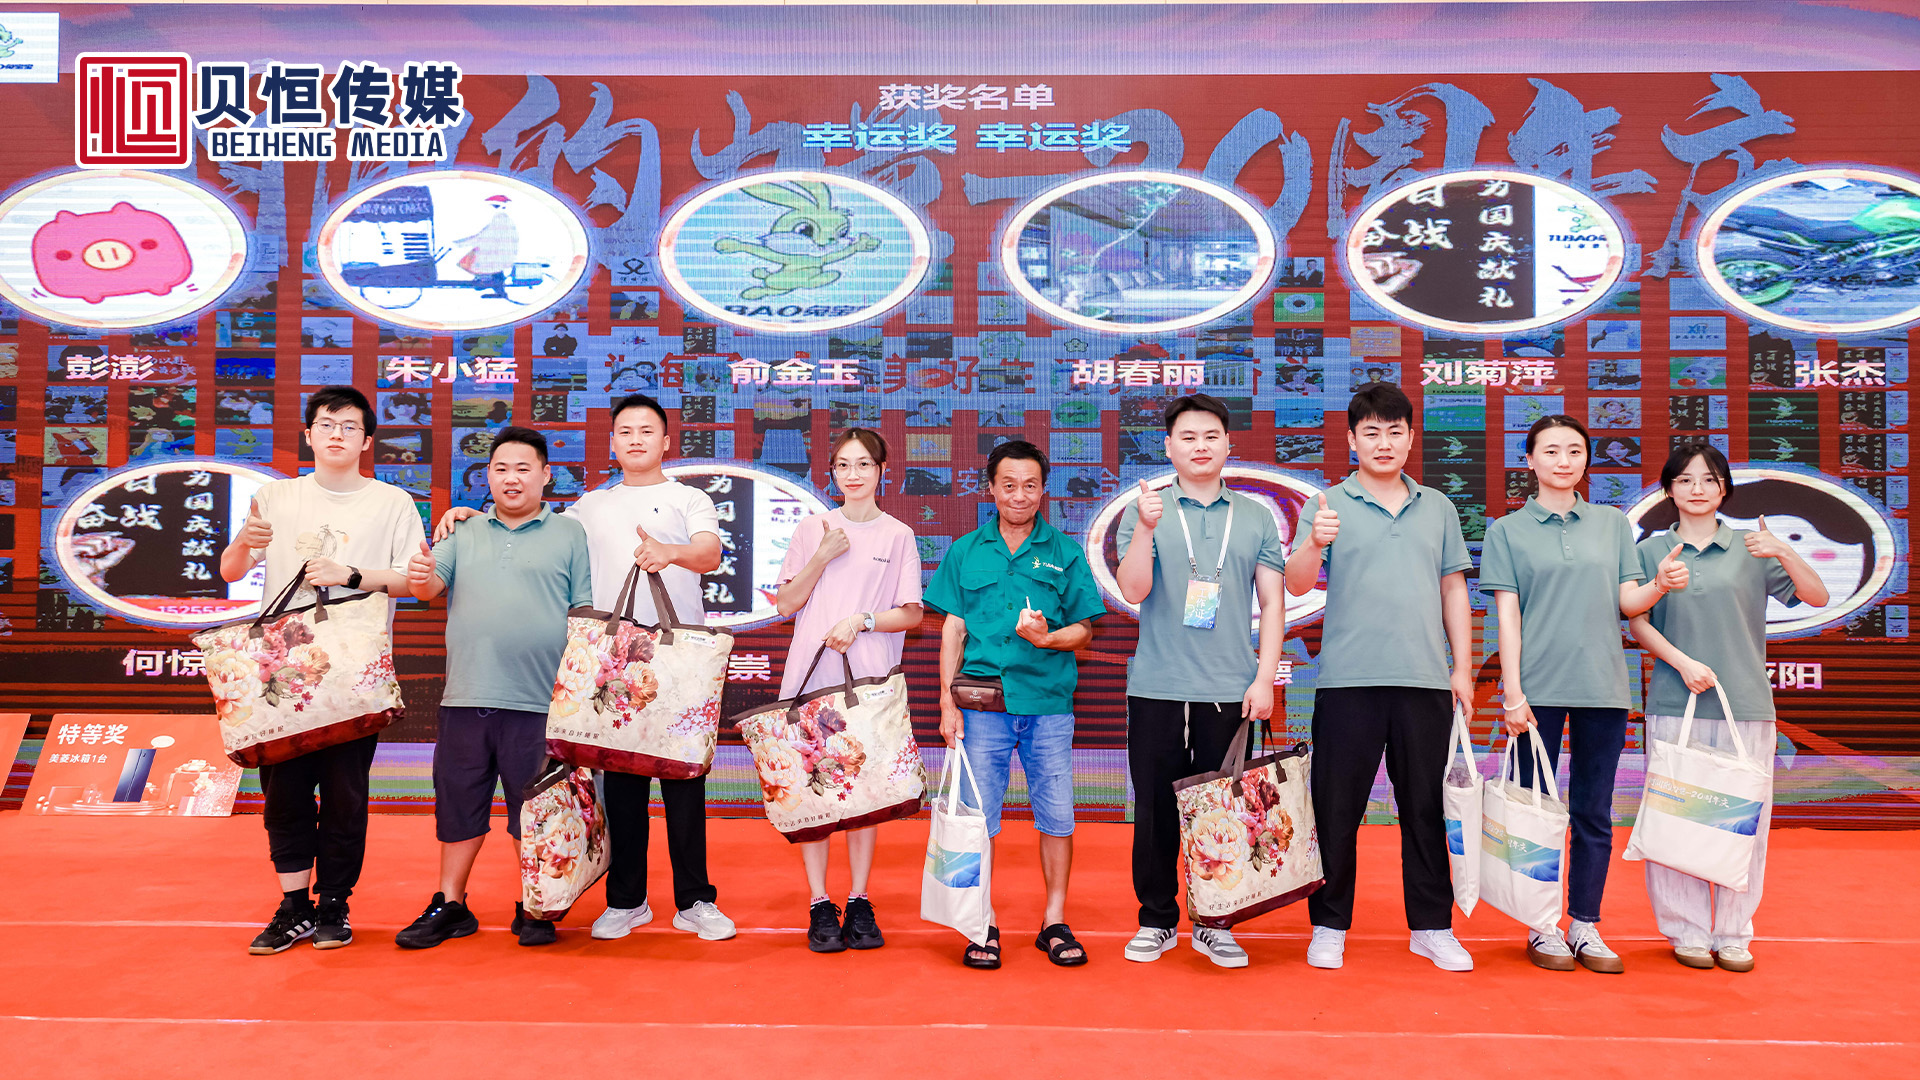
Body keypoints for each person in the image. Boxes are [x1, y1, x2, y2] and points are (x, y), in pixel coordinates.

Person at [436, 393, 735, 943]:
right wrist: (473, 517)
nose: (636, 440)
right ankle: (627, 900)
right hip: (614, 662)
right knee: (620, 782)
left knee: (685, 783)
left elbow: (709, 554)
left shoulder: (689, 498)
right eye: (626, 432)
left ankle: (695, 900)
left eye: (647, 431)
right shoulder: (591, 507)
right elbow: (534, 522)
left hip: (680, 660)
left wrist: (669, 552)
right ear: (613, 443)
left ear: (667, 442)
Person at [217, 385, 425, 955]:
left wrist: (349, 574)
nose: (338, 434)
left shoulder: (392, 503)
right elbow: (232, 570)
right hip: (282, 674)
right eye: (327, 424)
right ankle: (293, 907)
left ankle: (334, 902)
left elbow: (414, 582)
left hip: (354, 675)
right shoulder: (276, 496)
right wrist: (243, 540)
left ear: (367, 440)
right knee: (283, 794)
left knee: (344, 795)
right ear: (308, 434)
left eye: (350, 426)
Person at [1282, 382, 1475, 972]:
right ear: (1352, 439)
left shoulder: (1437, 506)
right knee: (1336, 809)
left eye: (1395, 431)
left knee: (1425, 809)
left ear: (1411, 438)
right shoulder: (1328, 504)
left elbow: (1453, 589)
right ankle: (1329, 925)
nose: (1384, 442)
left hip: (1424, 681)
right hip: (1348, 682)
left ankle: (1432, 926)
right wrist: (1314, 542)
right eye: (1372, 432)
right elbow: (1295, 582)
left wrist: (1463, 669)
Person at [1481, 415, 1678, 974]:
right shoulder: (1506, 531)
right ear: (1529, 460)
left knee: (1593, 811)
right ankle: (1540, 924)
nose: (1563, 460)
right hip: (1536, 691)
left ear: (1586, 459)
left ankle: (1584, 923)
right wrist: (1512, 693)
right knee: (1533, 811)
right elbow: (1508, 619)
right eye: (1550, 450)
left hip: (1602, 687)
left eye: (1574, 450)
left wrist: (1659, 585)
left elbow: (1627, 601)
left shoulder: (1612, 524)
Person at [1628, 443, 1828, 973]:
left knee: (1744, 823)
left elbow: (1817, 597)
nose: (1697, 489)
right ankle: (1686, 929)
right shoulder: (1651, 551)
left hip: (1745, 703)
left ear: (1724, 489)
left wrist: (1783, 551)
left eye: (1709, 479)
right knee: (1678, 818)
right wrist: (1682, 663)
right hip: (1676, 701)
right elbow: (1637, 619)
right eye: (1685, 480)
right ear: (1668, 490)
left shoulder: (1752, 547)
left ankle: (1735, 932)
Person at [399, 427, 592, 949]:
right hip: (466, 696)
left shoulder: (570, 533)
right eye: (501, 469)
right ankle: (450, 904)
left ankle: (535, 903)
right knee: (458, 804)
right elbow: (427, 588)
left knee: (535, 811)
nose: (512, 478)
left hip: (540, 701)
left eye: (523, 468)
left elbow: (582, 610)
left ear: (546, 475)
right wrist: (419, 572)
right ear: (487, 476)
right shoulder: (463, 530)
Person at [1113, 394, 1287, 969]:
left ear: (1229, 444)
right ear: (1169, 447)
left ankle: (1216, 921)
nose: (1200, 446)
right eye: (1187, 437)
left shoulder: (1256, 516)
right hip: (1157, 685)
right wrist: (1145, 528)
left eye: (1211, 436)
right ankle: (1157, 919)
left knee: (1223, 810)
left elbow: (1273, 602)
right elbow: (1133, 590)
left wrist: (1264, 677)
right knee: (1155, 810)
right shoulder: (1147, 510)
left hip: (1230, 688)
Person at [924, 440, 1107, 970]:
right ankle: (979, 922)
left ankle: (1054, 921)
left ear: (1043, 490)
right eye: (1008, 485)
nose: (1019, 495)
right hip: (981, 708)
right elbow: (953, 630)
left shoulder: (1065, 551)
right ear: (991, 488)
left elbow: (1085, 629)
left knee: (1057, 817)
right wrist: (947, 703)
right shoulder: (966, 551)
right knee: (976, 822)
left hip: (1048, 704)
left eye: (1030, 485)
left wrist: (1049, 639)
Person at [771, 429, 924, 953]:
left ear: (882, 470)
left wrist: (862, 620)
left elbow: (911, 613)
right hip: (811, 680)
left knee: (866, 792)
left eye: (863, 464)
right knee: (813, 789)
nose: (853, 474)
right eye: (842, 465)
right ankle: (820, 902)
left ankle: (859, 899)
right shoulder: (812, 527)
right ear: (831, 472)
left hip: (871, 683)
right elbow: (786, 603)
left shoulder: (898, 535)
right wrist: (821, 555)